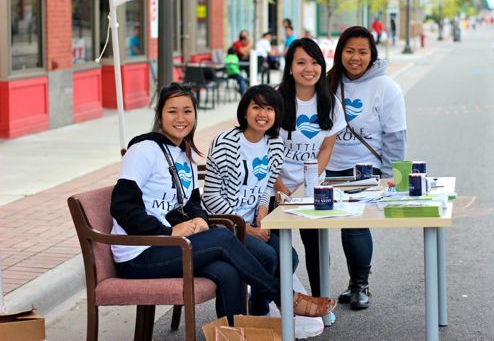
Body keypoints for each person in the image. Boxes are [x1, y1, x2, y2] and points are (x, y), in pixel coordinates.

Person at [110, 82, 336, 324]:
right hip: (139, 254)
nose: (181, 118)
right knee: (224, 238)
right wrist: (169, 230)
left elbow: (194, 201)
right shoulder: (144, 150)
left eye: (187, 111)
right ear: (159, 115)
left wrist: (198, 218)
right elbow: (122, 206)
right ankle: (284, 297)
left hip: (171, 245)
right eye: (172, 111)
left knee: (227, 273)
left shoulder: (183, 154)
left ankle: (240, 332)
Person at [326, 26, 407, 310]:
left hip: (366, 170)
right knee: (326, 228)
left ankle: (360, 284)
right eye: (349, 51)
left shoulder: (386, 87)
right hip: (330, 170)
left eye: (362, 52)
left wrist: (393, 179)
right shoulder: (329, 82)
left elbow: (396, 136)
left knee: (355, 226)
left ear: (372, 54)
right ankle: (337, 286)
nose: (355, 57)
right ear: (340, 53)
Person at [203, 84, 300, 315]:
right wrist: (244, 227)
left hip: (255, 222)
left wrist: (263, 211)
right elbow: (211, 195)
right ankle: (260, 311)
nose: (262, 114)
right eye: (256, 107)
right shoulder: (225, 143)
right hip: (225, 226)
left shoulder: (275, 145)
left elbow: (267, 185)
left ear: (276, 114)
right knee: (267, 257)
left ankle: (258, 306)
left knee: (290, 257)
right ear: (244, 111)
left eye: (269, 108)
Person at [274, 38, 346, 299]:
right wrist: (280, 188)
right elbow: (263, 150)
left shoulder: (330, 102)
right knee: (277, 250)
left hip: (312, 189)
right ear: (290, 67)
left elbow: (327, 147)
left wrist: (310, 181)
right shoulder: (276, 100)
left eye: (315, 62)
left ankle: (321, 302)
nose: (309, 68)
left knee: (316, 249)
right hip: (276, 187)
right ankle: (277, 305)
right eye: (301, 62)